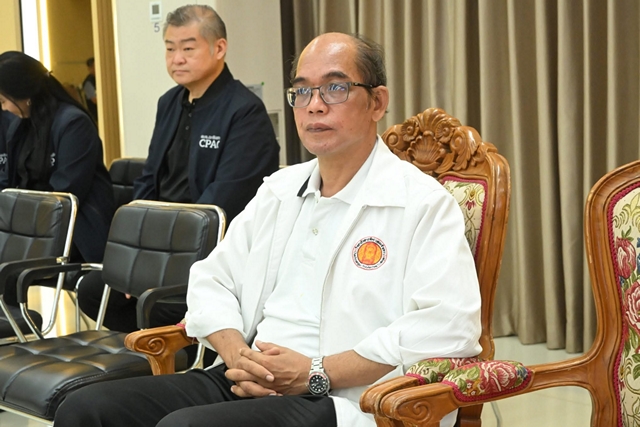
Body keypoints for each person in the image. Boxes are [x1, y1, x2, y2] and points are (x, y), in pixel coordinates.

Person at [55, 32, 481, 427]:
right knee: (85, 409)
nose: (315, 105)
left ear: (377, 102)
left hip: (347, 398)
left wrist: (315, 372)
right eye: (302, 91)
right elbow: (212, 279)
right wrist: (237, 355)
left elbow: (449, 326)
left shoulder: (421, 203)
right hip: (249, 376)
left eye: (335, 87)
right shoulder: (279, 190)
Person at [77, 5, 279, 341]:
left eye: (188, 48)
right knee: (93, 290)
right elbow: (148, 180)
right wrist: (136, 257)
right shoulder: (169, 102)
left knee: (156, 303)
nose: (177, 59)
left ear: (219, 48)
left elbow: (224, 203)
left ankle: (174, 353)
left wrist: (158, 266)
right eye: (170, 49)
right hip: (160, 248)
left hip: (207, 255)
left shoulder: (244, 111)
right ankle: (159, 352)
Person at [0, 51, 115, 265]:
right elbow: (8, 183)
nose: (4, 108)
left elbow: (65, 195)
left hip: (73, 233)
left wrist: (18, 218)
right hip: (31, 228)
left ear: (25, 95)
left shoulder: (73, 124)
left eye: (4, 100)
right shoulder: (20, 127)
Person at [82, 57, 98, 121]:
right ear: (90, 69)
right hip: (95, 115)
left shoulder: (98, 79)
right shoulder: (88, 83)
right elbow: (95, 100)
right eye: (95, 66)